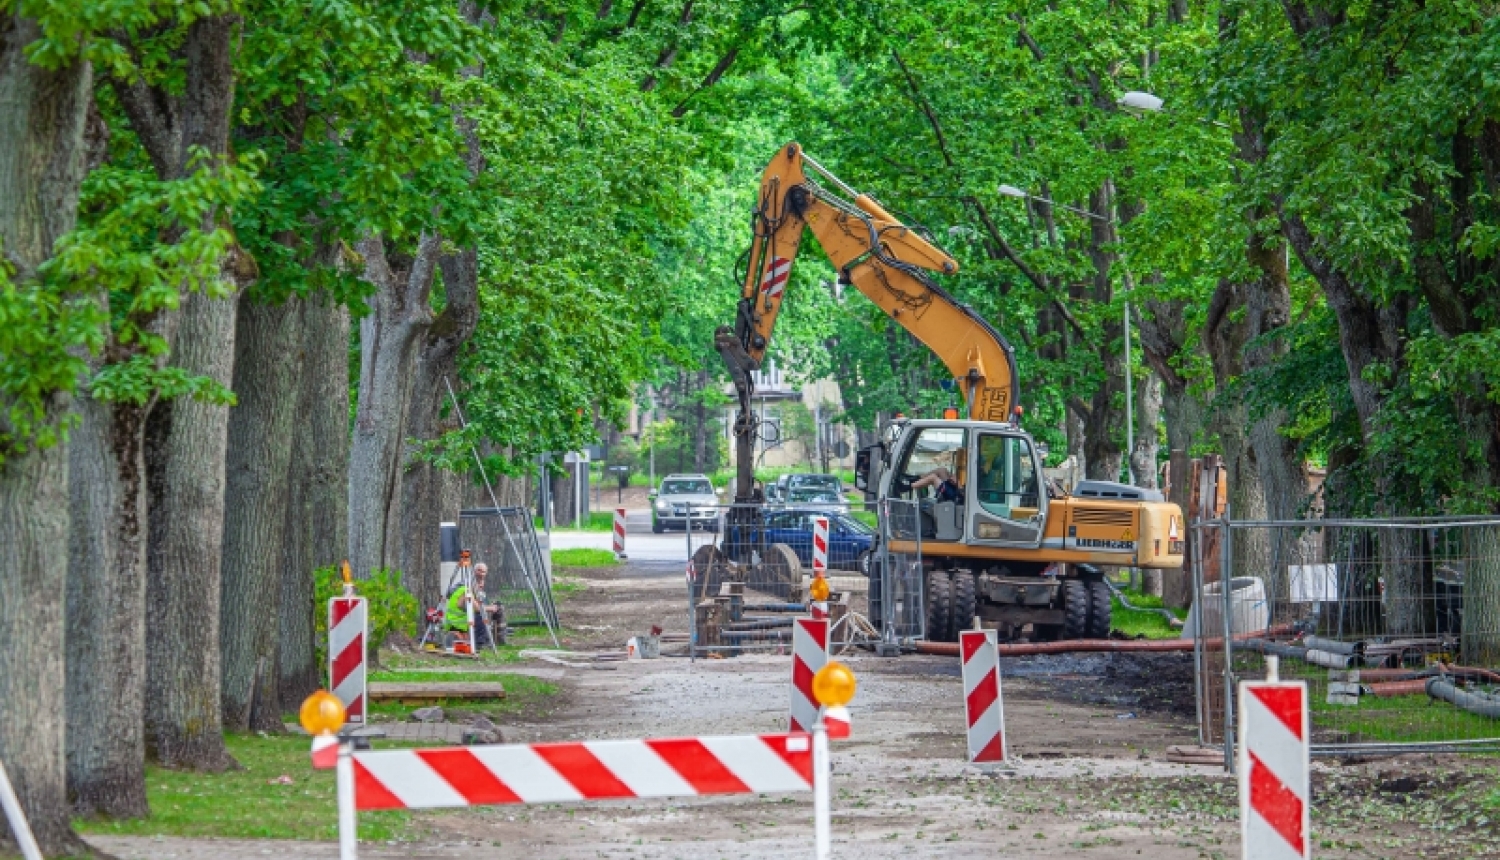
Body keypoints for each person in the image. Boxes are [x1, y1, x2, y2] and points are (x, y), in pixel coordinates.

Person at [445, 562, 503, 647]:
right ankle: (478, 643)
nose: (481, 575)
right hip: (456, 621)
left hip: (458, 620)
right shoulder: (466, 587)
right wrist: (490, 608)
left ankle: (495, 639)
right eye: (479, 571)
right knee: (480, 615)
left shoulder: (469, 588)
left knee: (488, 611)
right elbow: (476, 607)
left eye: (484, 572)